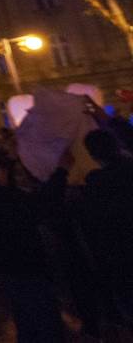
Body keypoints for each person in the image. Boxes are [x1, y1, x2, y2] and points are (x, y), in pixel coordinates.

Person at [0, 150, 69, 343]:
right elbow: (37, 207)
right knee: (43, 316)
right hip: (25, 261)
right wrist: (60, 172)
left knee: (25, 316)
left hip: (5, 263)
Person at [78, 129, 133, 331]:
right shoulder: (128, 168)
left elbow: (94, 218)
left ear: (92, 154)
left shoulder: (96, 182)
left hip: (118, 251)